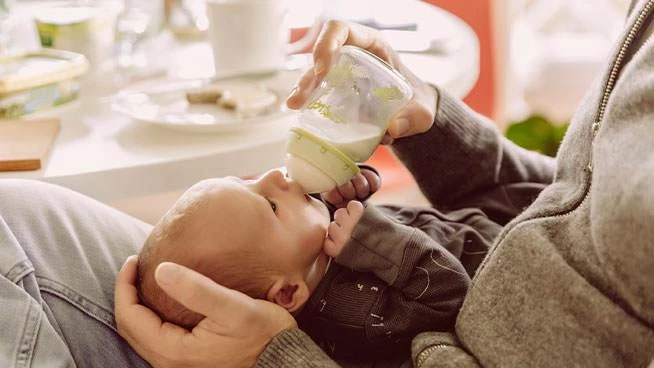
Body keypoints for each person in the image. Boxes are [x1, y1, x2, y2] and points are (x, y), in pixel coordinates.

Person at [1, 0, 651, 366]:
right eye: (268, 198)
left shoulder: (360, 309)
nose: (276, 179)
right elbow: (573, 208)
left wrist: (274, 354)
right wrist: (428, 121)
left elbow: (446, 291)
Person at [136, 166, 500, 363]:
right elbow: (449, 295)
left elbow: (401, 223)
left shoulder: (309, 257)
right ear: (288, 293)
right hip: (489, 264)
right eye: (271, 205)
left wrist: (350, 196)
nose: (274, 176)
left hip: (486, 223)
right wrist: (376, 237)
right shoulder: (359, 313)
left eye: (246, 181)